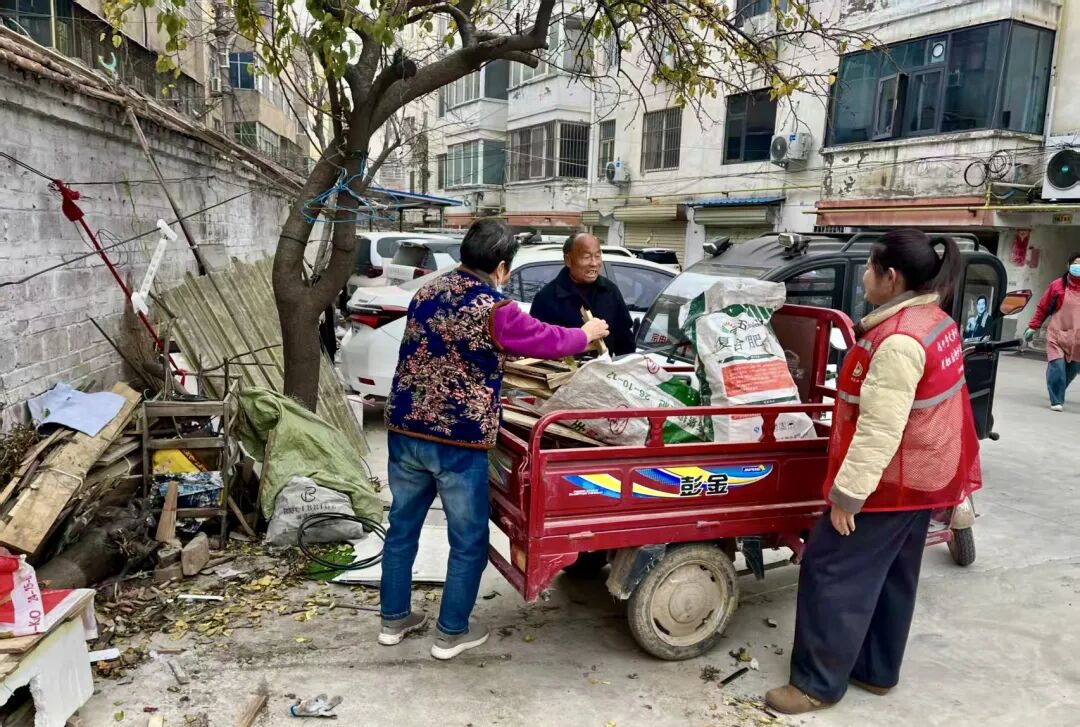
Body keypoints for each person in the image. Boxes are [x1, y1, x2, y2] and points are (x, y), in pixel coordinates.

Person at [767, 229, 982, 715]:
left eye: (869, 267)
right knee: (893, 572)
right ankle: (876, 671)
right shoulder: (935, 321)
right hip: (926, 475)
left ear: (892, 277)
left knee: (831, 569)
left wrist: (848, 497)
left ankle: (816, 684)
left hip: (892, 480)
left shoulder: (899, 342)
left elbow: (880, 430)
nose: (864, 275)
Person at [379, 218, 609, 660]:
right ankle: (451, 633)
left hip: (405, 430)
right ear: (501, 267)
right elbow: (544, 340)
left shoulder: (427, 291)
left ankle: (393, 621)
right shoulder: (493, 309)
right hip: (458, 442)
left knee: (402, 529)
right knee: (468, 542)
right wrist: (586, 334)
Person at [530, 232, 636, 355]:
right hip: (563, 367)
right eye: (586, 257)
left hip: (605, 366)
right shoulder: (546, 297)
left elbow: (625, 339)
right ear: (568, 260)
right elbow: (538, 343)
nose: (594, 263)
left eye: (597, 256)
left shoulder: (610, 290)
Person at [1023, 252, 1080, 411]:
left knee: (1072, 370)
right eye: (1076, 263)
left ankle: (1058, 388)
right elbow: (1043, 307)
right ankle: (1056, 400)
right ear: (1068, 265)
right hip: (1057, 334)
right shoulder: (1057, 286)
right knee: (1057, 366)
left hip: (1078, 339)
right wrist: (1033, 327)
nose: (1078, 267)